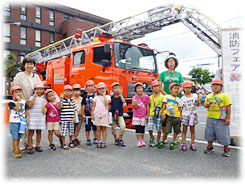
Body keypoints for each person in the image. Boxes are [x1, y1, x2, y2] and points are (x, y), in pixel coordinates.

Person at [13, 57, 42, 150]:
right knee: (23, 122)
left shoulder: (36, 76)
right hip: (22, 101)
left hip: (34, 102)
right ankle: (23, 142)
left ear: (34, 65)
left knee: (31, 123)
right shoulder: (19, 75)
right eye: (27, 64)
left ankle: (30, 142)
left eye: (31, 64)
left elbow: (40, 88)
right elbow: (17, 89)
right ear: (24, 65)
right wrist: (25, 101)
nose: (30, 65)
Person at [157, 53, 184, 144]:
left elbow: (182, 86)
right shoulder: (162, 74)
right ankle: (165, 136)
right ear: (166, 63)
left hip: (177, 99)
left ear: (175, 63)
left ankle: (176, 137)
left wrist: (176, 94)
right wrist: (167, 95)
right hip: (166, 98)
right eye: (169, 61)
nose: (171, 63)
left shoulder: (179, 74)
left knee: (176, 117)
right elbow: (159, 86)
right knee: (165, 117)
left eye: (173, 61)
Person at [204, 78, 232, 157]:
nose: (215, 87)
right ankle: (210, 147)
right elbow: (205, 105)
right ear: (211, 86)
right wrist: (207, 104)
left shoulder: (224, 95)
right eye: (214, 85)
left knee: (223, 134)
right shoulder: (209, 96)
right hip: (210, 117)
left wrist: (228, 118)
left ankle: (226, 149)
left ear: (221, 87)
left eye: (217, 85)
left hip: (221, 119)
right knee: (209, 133)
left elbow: (228, 107)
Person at [8, 86, 28, 158]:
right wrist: (18, 100)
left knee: (19, 136)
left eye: (19, 92)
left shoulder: (24, 101)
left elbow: (25, 110)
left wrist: (27, 117)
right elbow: (16, 109)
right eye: (16, 92)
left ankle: (17, 149)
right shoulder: (11, 102)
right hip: (14, 122)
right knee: (14, 137)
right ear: (12, 94)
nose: (18, 93)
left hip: (21, 122)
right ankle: (15, 150)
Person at [179, 81, 200, 151]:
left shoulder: (195, 95)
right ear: (183, 89)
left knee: (192, 130)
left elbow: (198, 105)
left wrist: (198, 101)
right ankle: (184, 143)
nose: (187, 89)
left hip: (193, 115)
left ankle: (192, 143)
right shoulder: (182, 98)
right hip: (185, 115)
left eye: (189, 88)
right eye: (186, 88)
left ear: (191, 88)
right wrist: (180, 116)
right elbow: (181, 108)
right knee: (184, 130)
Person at [26, 83, 46, 154]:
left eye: (41, 89)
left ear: (43, 90)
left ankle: (38, 145)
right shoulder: (31, 97)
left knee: (39, 131)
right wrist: (34, 97)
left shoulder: (44, 98)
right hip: (32, 117)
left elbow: (45, 109)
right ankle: (29, 146)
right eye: (37, 89)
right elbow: (30, 106)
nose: (39, 91)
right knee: (31, 132)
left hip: (40, 117)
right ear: (34, 90)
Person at [161, 83, 181, 150]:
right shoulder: (167, 96)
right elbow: (164, 105)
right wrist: (163, 113)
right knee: (166, 131)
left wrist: (180, 116)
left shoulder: (178, 99)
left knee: (176, 130)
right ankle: (163, 141)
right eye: (174, 88)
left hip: (176, 117)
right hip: (169, 117)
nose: (176, 90)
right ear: (170, 90)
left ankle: (173, 142)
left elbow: (180, 108)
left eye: (178, 89)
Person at [92, 82, 111, 148]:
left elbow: (106, 103)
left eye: (103, 88)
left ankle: (104, 141)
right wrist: (92, 114)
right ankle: (99, 140)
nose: (101, 90)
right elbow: (93, 107)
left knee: (104, 128)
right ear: (97, 90)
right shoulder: (96, 98)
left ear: (106, 89)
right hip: (97, 115)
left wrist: (104, 96)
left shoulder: (108, 97)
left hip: (104, 115)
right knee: (98, 129)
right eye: (100, 89)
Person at [132, 82, 150, 147]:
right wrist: (135, 103)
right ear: (135, 90)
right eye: (138, 88)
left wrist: (148, 115)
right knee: (137, 128)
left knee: (142, 128)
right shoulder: (134, 97)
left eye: (140, 88)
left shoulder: (146, 97)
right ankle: (138, 141)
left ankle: (142, 140)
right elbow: (135, 108)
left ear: (143, 89)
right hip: (137, 116)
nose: (139, 89)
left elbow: (148, 106)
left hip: (143, 116)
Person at [59, 85, 76, 150]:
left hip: (71, 119)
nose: (68, 93)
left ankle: (70, 142)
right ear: (64, 92)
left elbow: (74, 109)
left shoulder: (72, 101)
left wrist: (74, 117)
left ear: (71, 92)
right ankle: (63, 143)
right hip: (64, 119)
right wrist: (60, 100)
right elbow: (59, 107)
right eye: (66, 91)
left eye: (69, 91)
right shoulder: (63, 100)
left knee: (71, 131)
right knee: (64, 132)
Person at [148, 80, 164, 147]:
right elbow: (148, 105)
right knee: (149, 128)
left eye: (157, 86)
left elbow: (164, 106)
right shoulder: (150, 97)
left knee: (158, 129)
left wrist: (163, 113)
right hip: (152, 114)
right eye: (154, 87)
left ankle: (157, 141)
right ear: (152, 88)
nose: (156, 88)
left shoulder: (162, 97)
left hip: (159, 115)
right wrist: (148, 114)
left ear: (160, 87)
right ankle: (152, 137)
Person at [110, 82, 126, 147]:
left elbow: (123, 101)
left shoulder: (122, 96)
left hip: (120, 114)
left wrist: (120, 94)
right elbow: (110, 105)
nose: (116, 89)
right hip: (113, 114)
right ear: (112, 90)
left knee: (123, 127)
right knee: (113, 128)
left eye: (117, 88)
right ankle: (116, 139)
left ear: (120, 89)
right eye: (114, 88)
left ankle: (120, 138)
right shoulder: (112, 97)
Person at [81, 80, 97, 145]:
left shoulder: (95, 95)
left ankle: (95, 138)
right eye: (89, 86)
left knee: (95, 127)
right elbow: (83, 105)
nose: (90, 88)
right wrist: (83, 114)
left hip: (94, 115)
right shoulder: (84, 96)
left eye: (92, 86)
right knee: (87, 128)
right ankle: (88, 139)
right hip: (87, 115)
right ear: (86, 88)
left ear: (94, 87)